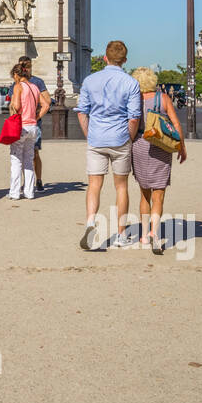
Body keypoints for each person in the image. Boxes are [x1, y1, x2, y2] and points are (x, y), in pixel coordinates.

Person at [76, 40, 143, 250]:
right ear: (124, 60)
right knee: (121, 187)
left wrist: (89, 135)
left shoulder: (89, 80)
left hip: (96, 138)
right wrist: (129, 138)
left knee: (94, 185)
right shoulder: (131, 83)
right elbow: (134, 118)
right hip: (120, 138)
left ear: (105, 57)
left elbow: (82, 112)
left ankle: (89, 222)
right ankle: (121, 234)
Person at [129, 67, 187, 254]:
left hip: (139, 145)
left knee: (144, 193)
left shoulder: (134, 100)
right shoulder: (163, 98)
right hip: (161, 146)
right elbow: (176, 123)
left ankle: (144, 235)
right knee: (158, 194)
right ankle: (155, 232)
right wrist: (181, 146)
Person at [8, 63, 45, 200]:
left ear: (16, 75)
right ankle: (29, 192)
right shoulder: (35, 87)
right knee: (29, 160)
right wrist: (36, 116)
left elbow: (17, 106)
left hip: (21, 126)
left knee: (16, 160)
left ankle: (14, 192)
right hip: (33, 127)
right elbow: (46, 104)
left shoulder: (18, 87)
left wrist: (12, 105)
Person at [17, 56, 53, 189]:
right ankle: (26, 182)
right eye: (22, 66)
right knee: (21, 154)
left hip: (33, 123)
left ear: (31, 66)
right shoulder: (16, 82)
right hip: (22, 123)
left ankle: (38, 179)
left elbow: (47, 101)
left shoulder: (38, 82)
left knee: (34, 152)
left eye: (27, 66)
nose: (25, 68)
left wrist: (36, 116)